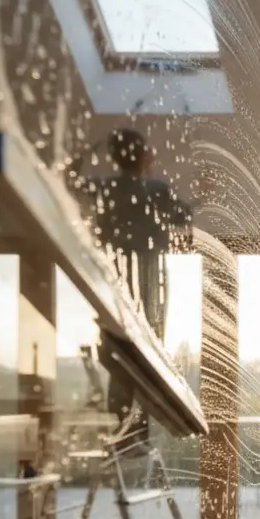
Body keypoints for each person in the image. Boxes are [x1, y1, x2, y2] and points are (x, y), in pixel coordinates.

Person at [69, 127, 194, 434]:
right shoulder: (155, 189)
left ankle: (123, 430)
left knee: (123, 348)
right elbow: (183, 217)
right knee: (148, 346)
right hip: (147, 274)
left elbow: (70, 182)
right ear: (142, 155)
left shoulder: (105, 186)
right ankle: (136, 431)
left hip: (113, 276)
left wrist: (88, 150)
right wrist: (201, 192)